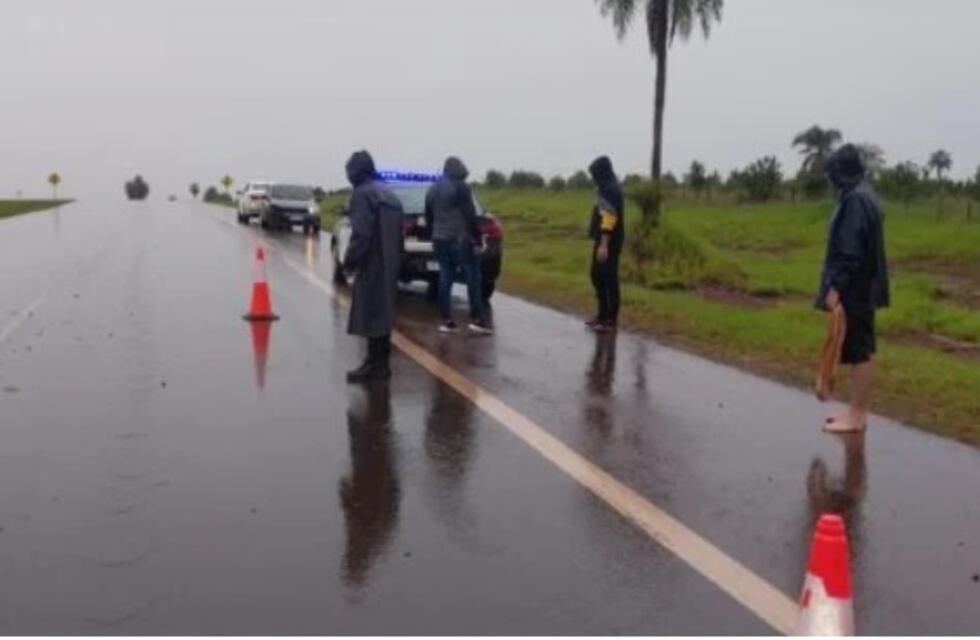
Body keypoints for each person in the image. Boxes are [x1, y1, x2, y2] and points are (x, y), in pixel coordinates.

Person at [816, 144, 890, 433]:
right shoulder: (865, 194)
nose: (829, 179)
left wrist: (835, 287)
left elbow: (849, 251)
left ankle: (856, 415)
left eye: (831, 173)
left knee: (859, 351)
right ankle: (856, 411)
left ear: (840, 172)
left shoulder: (855, 200)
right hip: (864, 286)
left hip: (856, 289)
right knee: (864, 349)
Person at [342, 150, 405, 383]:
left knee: (369, 312)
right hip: (390, 262)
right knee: (383, 312)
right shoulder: (389, 194)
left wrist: (349, 261)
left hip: (372, 261)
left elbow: (361, 234)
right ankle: (380, 364)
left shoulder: (362, 195)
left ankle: (374, 364)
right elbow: (400, 234)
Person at [425, 156, 493, 335]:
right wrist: (478, 238)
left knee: (445, 277)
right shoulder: (461, 187)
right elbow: (469, 215)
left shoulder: (432, 189)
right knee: (472, 276)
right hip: (459, 239)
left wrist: (432, 236)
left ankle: (447, 321)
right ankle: (478, 320)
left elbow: (429, 217)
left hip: (439, 239)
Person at [585, 156, 625, 332]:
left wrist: (603, 245)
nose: (593, 178)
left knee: (608, 277)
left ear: (602, 172)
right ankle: (602, 314)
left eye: (595, 174)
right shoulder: (605, 187)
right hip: (603, 238)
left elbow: (609, 218)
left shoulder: (611, 189)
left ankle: (610, 319)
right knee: (596, 275)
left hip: (610, 240)